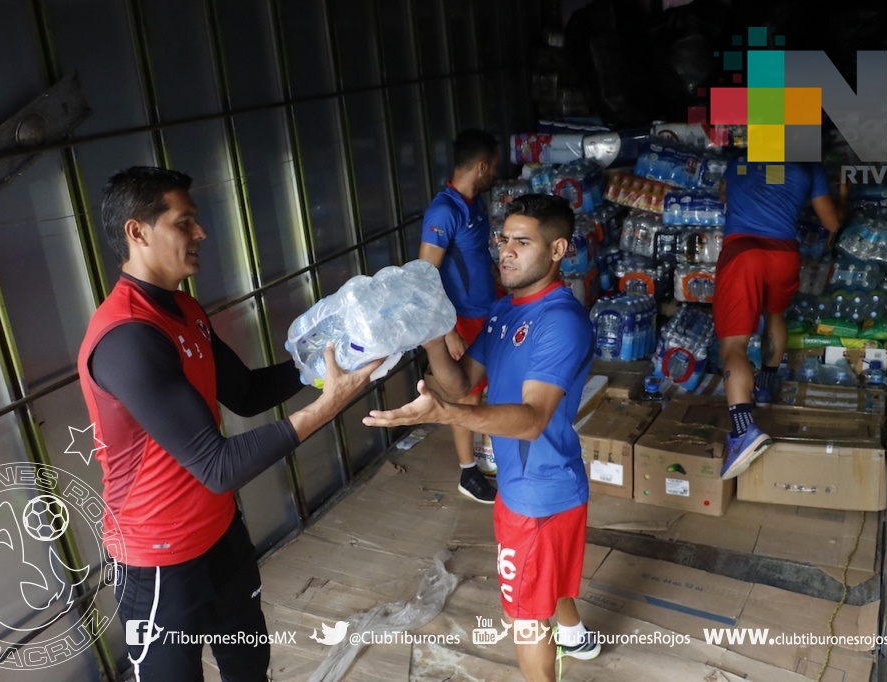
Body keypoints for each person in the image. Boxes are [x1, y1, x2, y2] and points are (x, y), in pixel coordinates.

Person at [77, 166, 382, 681]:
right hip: (158, 560)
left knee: (248, 667)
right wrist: (328, 405)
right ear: (138, 231)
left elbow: (245, 394)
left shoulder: (184, 308)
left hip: (219, 535)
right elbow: (216, 466)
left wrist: (328, 363)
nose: (200, 234)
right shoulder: (127, 337)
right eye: (185, 222)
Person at [367, 194, 601, 681]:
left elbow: (533, 418)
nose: (505, 251)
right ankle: (577, 636)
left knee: (524, 618)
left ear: (557, 250)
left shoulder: (559, 321)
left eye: (522, 241)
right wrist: (431, 333)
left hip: (540, 493)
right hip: (524, 484)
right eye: (503, 239)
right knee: (543, 577)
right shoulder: (506, 310)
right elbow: (461, 382)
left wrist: (448, 412)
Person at [715, 160, 846, 479]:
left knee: (734, 343)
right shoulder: (809, 168)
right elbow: (832, 223)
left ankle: (743, 429)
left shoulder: (741, 161)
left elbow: (723, 196)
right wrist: (844, 194)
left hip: (743, 252)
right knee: (775, 315)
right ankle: (764, 386)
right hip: (783, 255)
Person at [419, 128, 501, 503]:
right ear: (481, 167)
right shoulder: (444, 211)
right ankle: (468, 473)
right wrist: (447, 329)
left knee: (488, 391)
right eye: (494, 167)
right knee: (466, 397)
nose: (495, 173)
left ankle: (492, 458)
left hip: (487, 310)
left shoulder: (475, 204)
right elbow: (424, 275)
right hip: (461, 318)